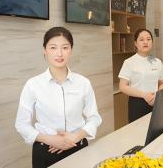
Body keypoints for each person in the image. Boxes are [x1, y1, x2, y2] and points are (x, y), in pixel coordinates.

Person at [15, 27, 102, 168]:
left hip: (78, 147)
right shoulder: (33, 84)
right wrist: (51, 139)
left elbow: (94, 117)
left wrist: (75, 137)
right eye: (53, 47)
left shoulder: (83, 83)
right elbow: (21, 124)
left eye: (65, 47)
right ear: (45, 50)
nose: (59, 53)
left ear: (71, 50)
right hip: (46, 151)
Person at [118, 29, 163, 123]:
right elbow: (122, 86)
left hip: (156, 102)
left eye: (148, 39)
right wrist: (144, 95)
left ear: (152, 42)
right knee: (138, 134)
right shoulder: (129, 62)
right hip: (137, 103)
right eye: (141, 40)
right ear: (135, 43)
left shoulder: (156, 61)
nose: (145, 42)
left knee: (156, 133)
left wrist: (157, 94)